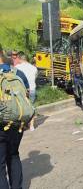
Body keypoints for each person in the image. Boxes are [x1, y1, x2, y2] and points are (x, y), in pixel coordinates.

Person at [0, 45, 29, 189]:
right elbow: (27, 95)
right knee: (14, 155)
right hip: (18, 123)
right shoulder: (17, 72)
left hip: (1, 125)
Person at [14, 51, 38, 131]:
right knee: (32, 107)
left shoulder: (17, 67)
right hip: (32, 89)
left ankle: (23, 125)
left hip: (22, 90)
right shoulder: (34, 68)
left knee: (22, 108)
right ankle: (31, 126)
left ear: (20, 58)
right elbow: (34, 78)